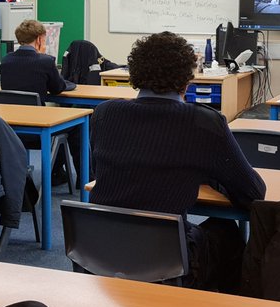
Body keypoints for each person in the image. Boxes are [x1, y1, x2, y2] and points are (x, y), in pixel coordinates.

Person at [88, 31, 266, 292]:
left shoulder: (104, 114)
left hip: (100, 254)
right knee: (226, 232)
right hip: (167, 263)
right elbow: (253, 193)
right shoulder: (203, 122)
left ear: (135, 73)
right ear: (187, 79)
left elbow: (106, 172)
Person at [0, 19, 74, 104]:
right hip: (36, 114)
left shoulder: (6, 60)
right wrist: (42, 56)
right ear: (39, 39)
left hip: (9, 114)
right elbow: (57, 89)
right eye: (44, 40)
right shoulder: (46, 61)